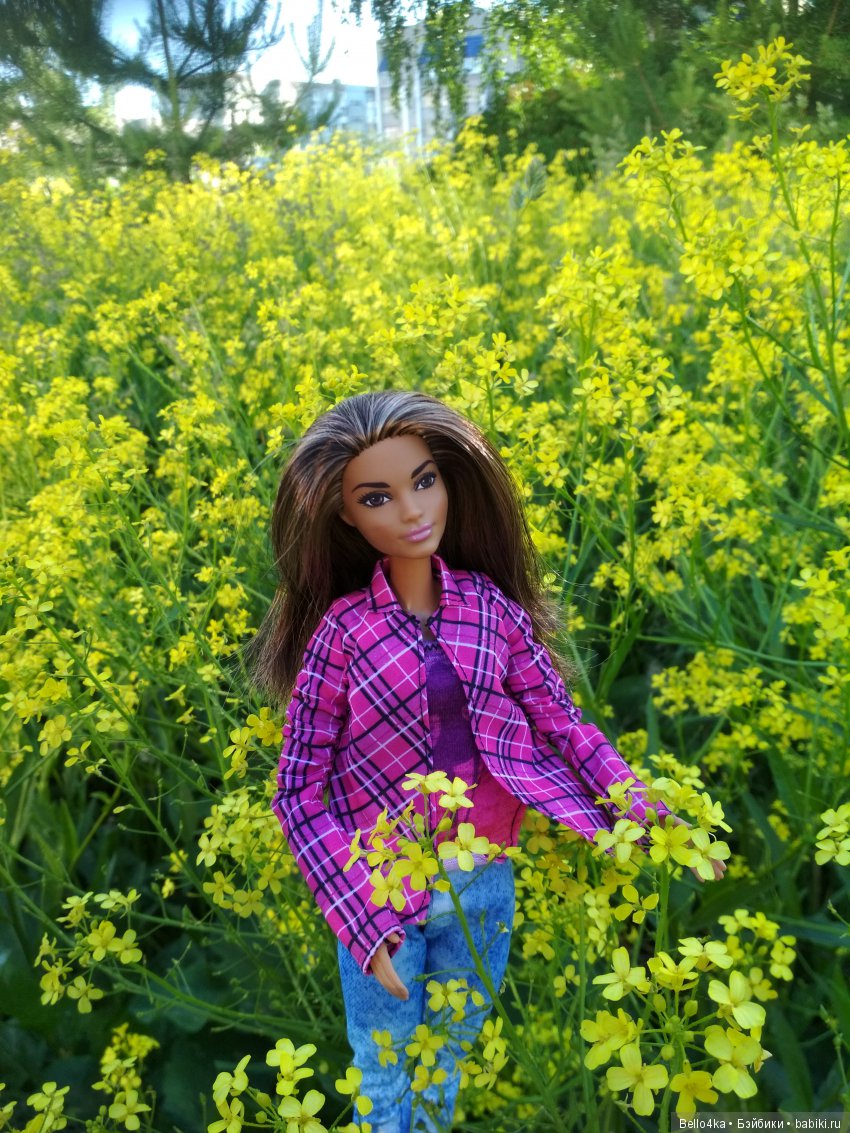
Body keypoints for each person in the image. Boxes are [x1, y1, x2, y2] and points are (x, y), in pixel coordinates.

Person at [251, 389, 725, 1133]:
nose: (412, 510)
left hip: (484, 876)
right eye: (377, 497)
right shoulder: (342, 634)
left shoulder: (489, 608)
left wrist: (648, 814)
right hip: (386, 886)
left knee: (449, 1058)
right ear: (344, 516)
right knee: (383, 1069)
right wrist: (359, 914)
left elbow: (561, 725)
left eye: (425, 481)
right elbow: (297, 791)